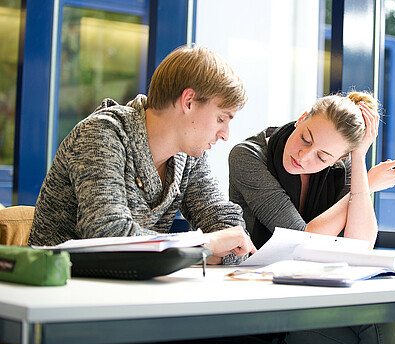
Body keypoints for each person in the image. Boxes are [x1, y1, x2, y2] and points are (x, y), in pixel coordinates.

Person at [29, 45, 258, 266]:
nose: (225, 135)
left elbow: (234, 237)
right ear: (188, 102)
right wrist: (204, 244)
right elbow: (107, 235)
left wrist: (198, 250)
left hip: (127, 290)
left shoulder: (188, 155)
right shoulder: (102, 134)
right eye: (221, 118)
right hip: (58, 289)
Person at [228, 91, 395, 344]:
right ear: (302, 118)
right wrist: (366, 184)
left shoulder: (342, 167)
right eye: (305, 138)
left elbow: (360, 243)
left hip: (317, 294)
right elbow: (302, 241)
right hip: (264, 298)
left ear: (339, 159)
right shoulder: (249, 156)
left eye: (322, 157)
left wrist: (359, 160)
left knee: (386, 317)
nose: (303, 156)